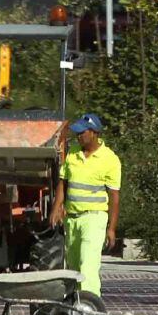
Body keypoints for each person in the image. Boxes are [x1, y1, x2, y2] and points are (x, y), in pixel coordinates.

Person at [48, 114, 121, 297]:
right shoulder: (73, 152)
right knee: (72, 267)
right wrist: (57, 208)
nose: (78, 136)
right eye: (77, 132)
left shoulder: (110, 159)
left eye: (82, 132)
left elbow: (114, 197)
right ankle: (73, 305)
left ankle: (90, 308)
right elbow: (63, 183)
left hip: (94, 218)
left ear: (94, 133)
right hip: (72, 219)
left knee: (87, 265)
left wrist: (111, 229)